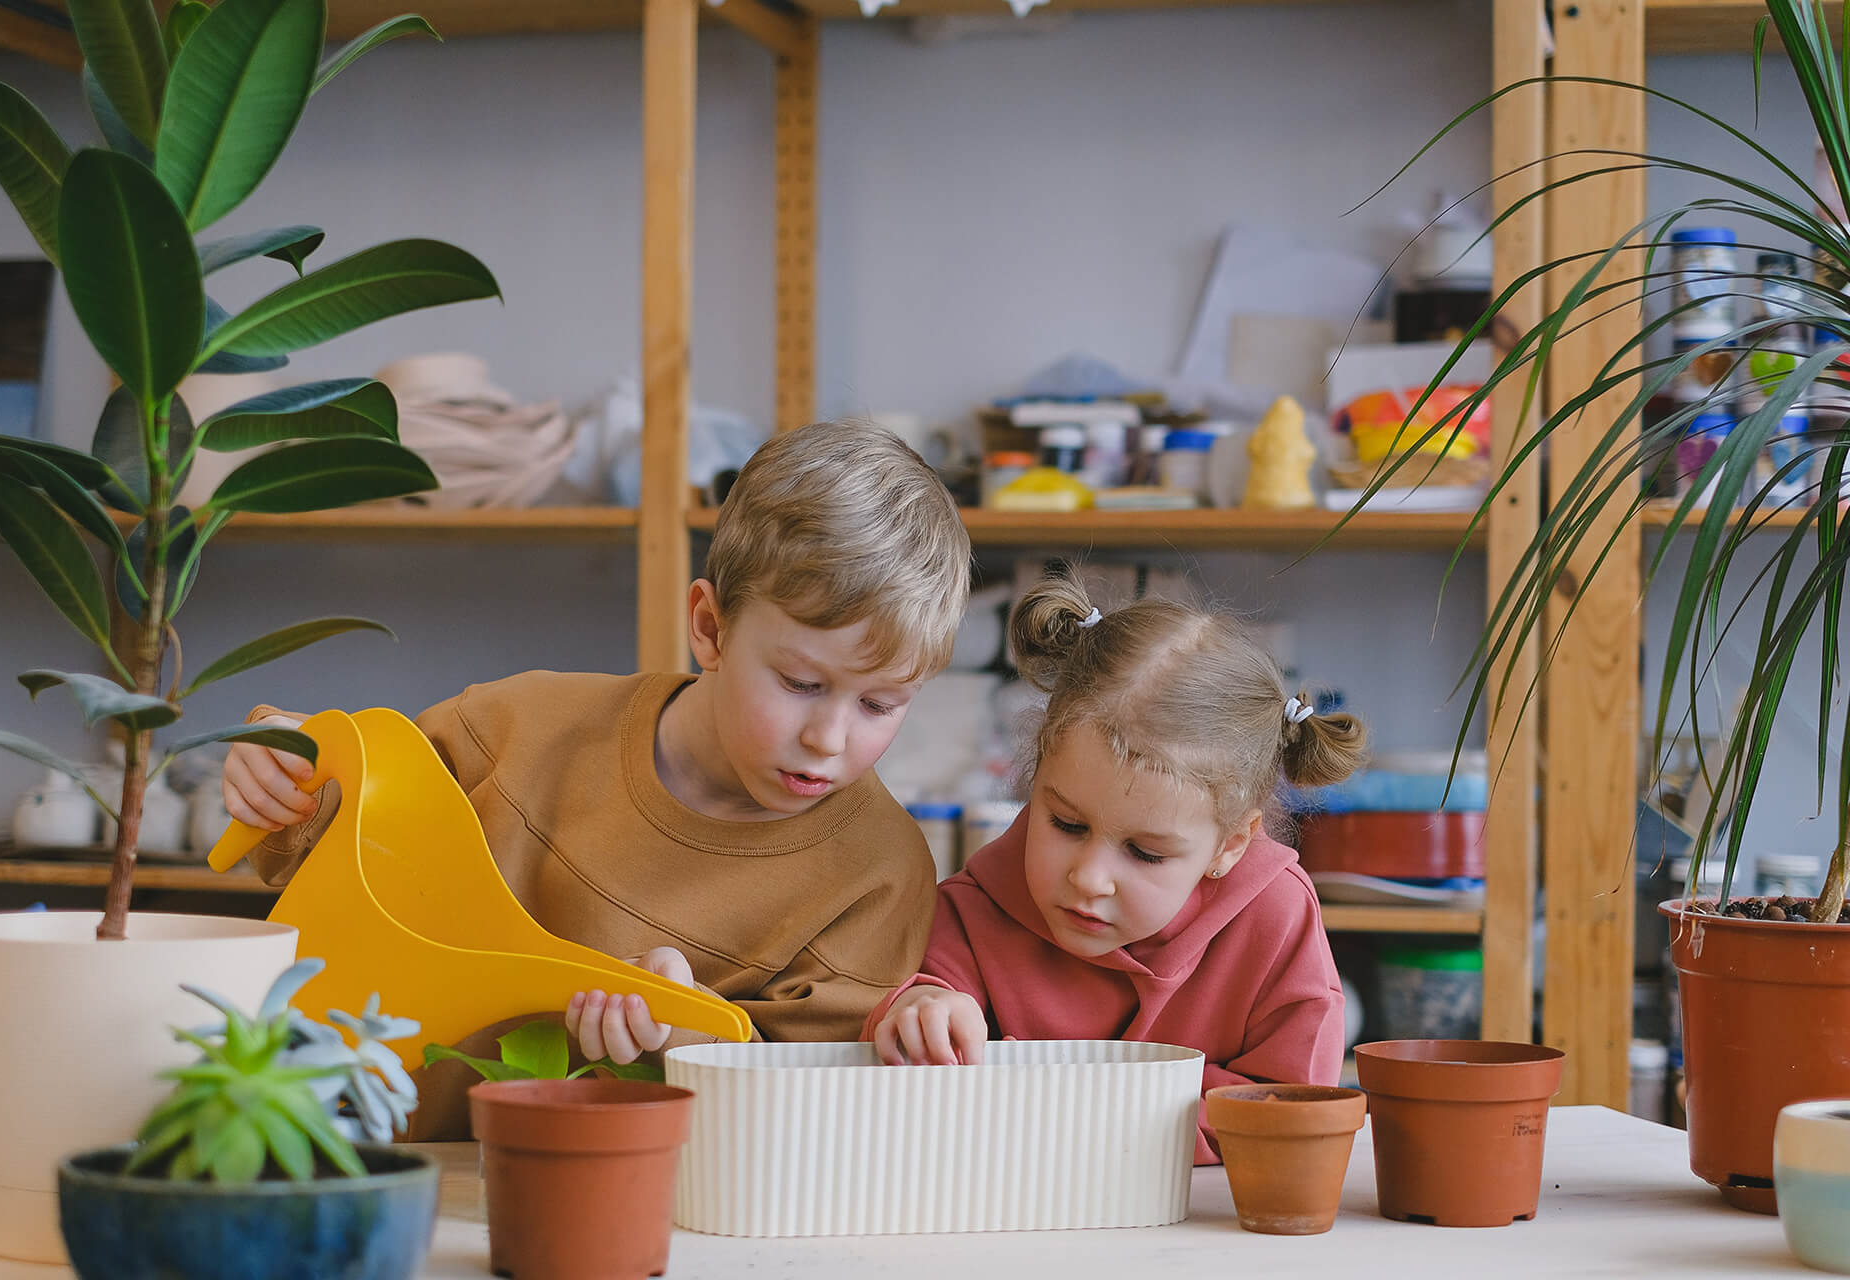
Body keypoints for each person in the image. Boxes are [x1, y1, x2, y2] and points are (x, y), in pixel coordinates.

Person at [224, 420, 972, 1138]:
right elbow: (333, 843)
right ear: (710, 628)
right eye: (801, 683)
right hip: (352, 1161)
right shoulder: (513, 727)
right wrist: (281, 774)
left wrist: (692, 1037)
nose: (828, 738)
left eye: (879, 703)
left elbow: (813, 1116)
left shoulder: (879, 875)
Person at [865, 574, 1361, 1163]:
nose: (1089, 879)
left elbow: (1288, 1111)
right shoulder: (978, 907)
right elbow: (917, 1040)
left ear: (1230, 845)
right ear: (1037, 780)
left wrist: (1087, 1113)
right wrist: (919, 1010)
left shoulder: (1275, 918)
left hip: (1201, 1230)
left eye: (1146, 853)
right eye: (1066, 825)